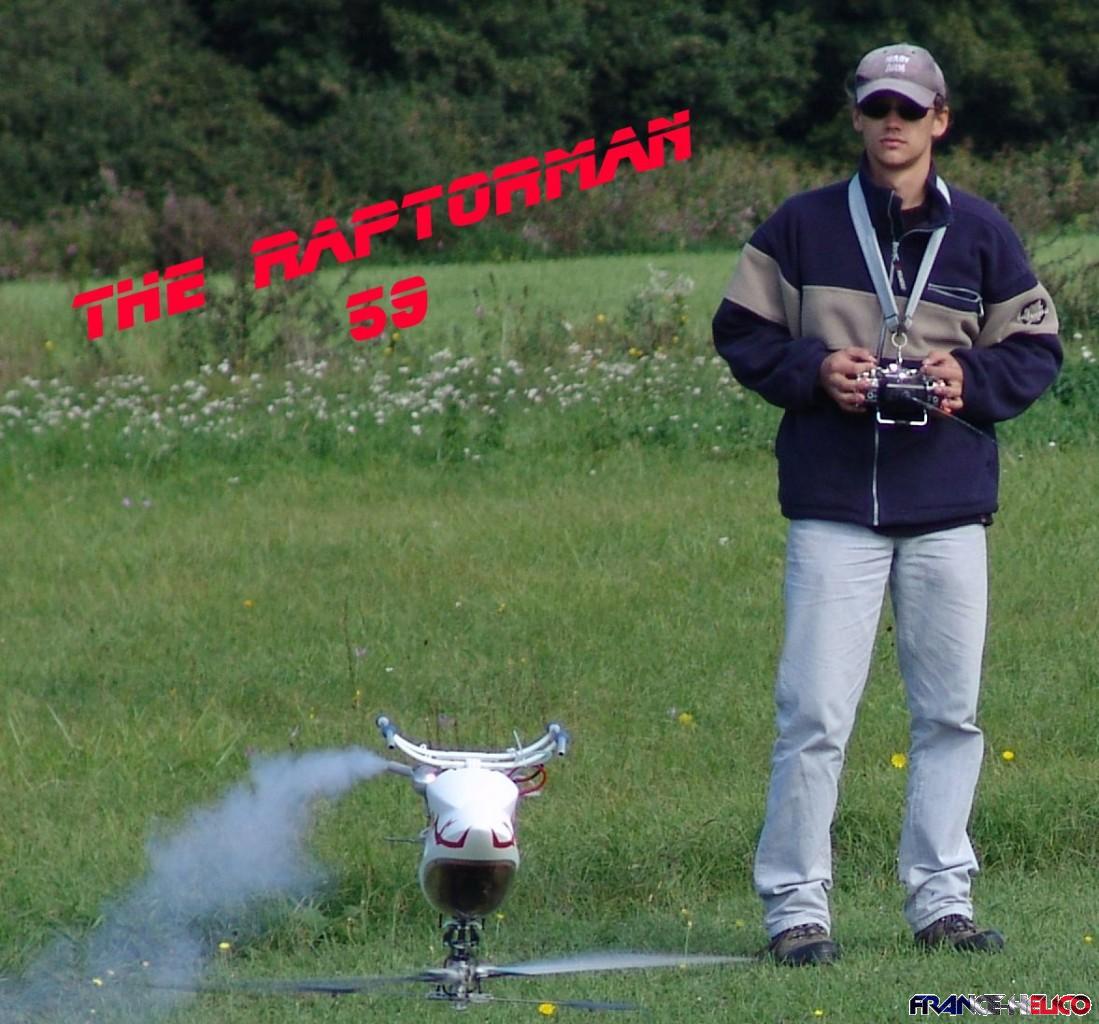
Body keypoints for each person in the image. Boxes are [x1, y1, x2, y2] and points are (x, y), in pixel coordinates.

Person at [712, 43, 1061, 965]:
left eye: (909, 109)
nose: (892, 123)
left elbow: (1036, 347)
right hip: (834, 506)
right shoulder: (801, 225)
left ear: (939, 119)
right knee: (814, 717)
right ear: (857, 118)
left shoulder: (980, 231)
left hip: (946, 506)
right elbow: (739, 330)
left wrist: (967, 378)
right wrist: (813, 369)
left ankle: (942, 901)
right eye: (877, 108)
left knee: (950, 716)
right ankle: (795, 910)